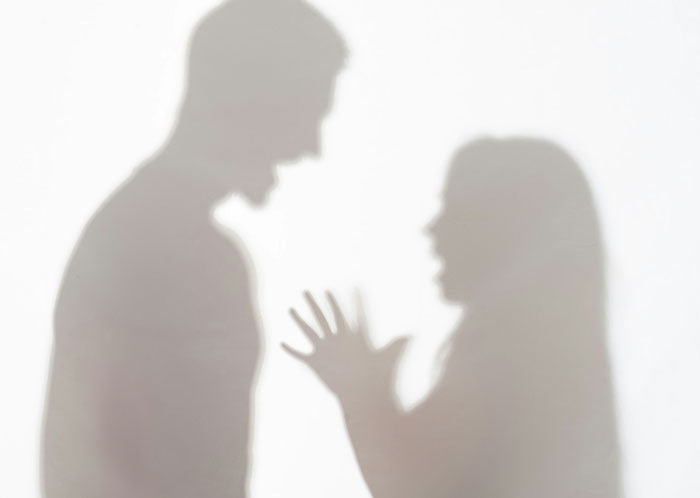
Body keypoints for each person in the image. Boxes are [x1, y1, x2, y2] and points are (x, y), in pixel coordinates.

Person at [42, 1, 347, 496]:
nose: (312, 147)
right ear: (252, 102)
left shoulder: (134, 232)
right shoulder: (182, 252)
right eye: (306, 114)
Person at [285, 137, 622, 498]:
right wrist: (365, 395)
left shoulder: (506, 360)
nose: (433, 229)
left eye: (455, 208)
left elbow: (413, 489)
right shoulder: (543, 364)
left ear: (503, 227)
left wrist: (363, 395)